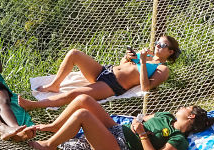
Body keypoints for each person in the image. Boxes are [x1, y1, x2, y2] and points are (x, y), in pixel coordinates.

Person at [17, 93, 214, 150]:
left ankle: (50, 145)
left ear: (191, 116)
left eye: (186, 107)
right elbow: (143, 118)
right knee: (84, 100)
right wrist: (139, 122)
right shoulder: (167, 116)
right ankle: (54, 127)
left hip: (121, 149)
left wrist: (143, 135)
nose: (182, 106)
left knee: (83, 116)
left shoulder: (178, 139)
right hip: (119, 129)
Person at [18, 35, 180, 110]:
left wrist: (143, 61)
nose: (158, 45)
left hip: (112, 85)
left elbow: (145, 87)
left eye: (162, 45)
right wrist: (128, 57)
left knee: (75, 94)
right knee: (74, 53)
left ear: (170, 52)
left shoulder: (163, 69)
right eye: (158, 42)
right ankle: (54, 85)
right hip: (106, 71)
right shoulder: (149, 54)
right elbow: (122, 65)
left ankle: (33, 105)